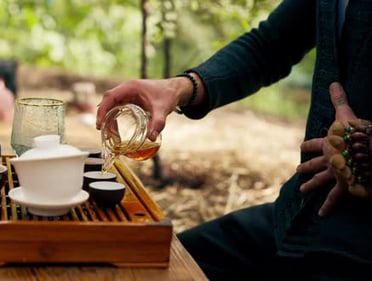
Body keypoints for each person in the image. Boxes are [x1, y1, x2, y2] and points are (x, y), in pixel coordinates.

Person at [95, 0, 372, 279]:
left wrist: (363, 147)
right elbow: (270, 46)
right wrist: (179, 87)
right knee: (158, 265)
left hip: (359, 242)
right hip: (297, 218)